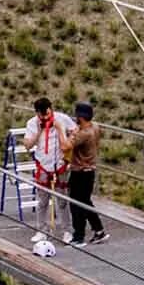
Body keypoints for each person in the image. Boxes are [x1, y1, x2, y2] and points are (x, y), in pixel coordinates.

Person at [21, 97, 76, 241]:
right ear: (37, 114)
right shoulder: (32, 123)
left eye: (47, 114)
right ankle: (41, 230)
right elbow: (27, 145)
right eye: (42, 115)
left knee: (62, 200)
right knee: (42, 201)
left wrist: (67, 140)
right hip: (43, 165)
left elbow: (75, 131)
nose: (45, 118)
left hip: (60, 164)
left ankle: (67, 230)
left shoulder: (62, 119)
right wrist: (39, 132)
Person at [63, 100, 108, 246]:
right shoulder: (95, 127)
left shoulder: (84, 134)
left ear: (80, 117)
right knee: (86, 201)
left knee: (76, 204)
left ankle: (78, 237)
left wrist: (59, 129)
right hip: (90, 171)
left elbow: (66, 146)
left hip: (80, 172)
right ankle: (98, 230)